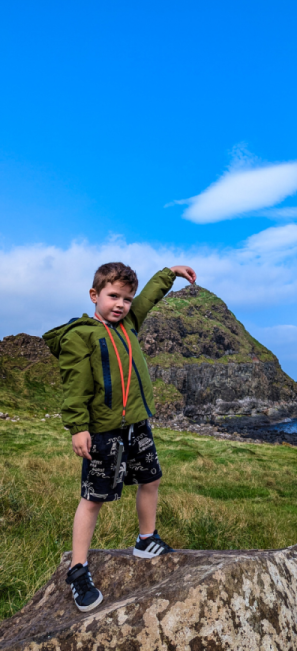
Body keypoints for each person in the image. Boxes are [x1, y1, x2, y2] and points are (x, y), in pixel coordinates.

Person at [42, 262, 197, 612]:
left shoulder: (129, 323)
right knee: (93, 499)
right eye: (113, 296)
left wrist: (170, 273)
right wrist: (78, 427)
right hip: (102, 430)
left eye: (126, 299)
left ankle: (146, 540)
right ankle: (78, 569)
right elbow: (75, 385)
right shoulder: (81, 335)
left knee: (151, 480)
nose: (121, 304)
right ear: (94, 295)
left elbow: (149, 298)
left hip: (137, 425)